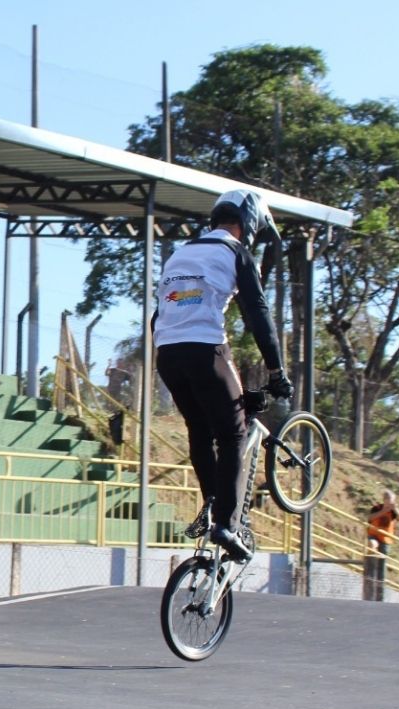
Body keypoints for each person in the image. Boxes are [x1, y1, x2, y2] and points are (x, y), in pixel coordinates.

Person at [154, 189, 292, 563]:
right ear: (249, 223)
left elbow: (160, 315)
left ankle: (212, 502)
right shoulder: (236, 253)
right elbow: (258, 313)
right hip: (205, 349)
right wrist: (276, 370)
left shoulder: (180, 253)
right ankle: (227, 524)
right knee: (233, 433)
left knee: (200, 428)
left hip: (167, 354)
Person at [364, 489, 399, 602]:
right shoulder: (377, 508)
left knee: (382, 568)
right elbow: (369, 518)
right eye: (387, 499)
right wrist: (383, 511)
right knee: (372, 544)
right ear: (384, 499)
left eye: (391, 499)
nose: (389, 501)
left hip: (386, 540)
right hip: (374, 535)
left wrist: (395, 509)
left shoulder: (393, 512)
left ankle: (380, 596)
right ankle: (370, 571)